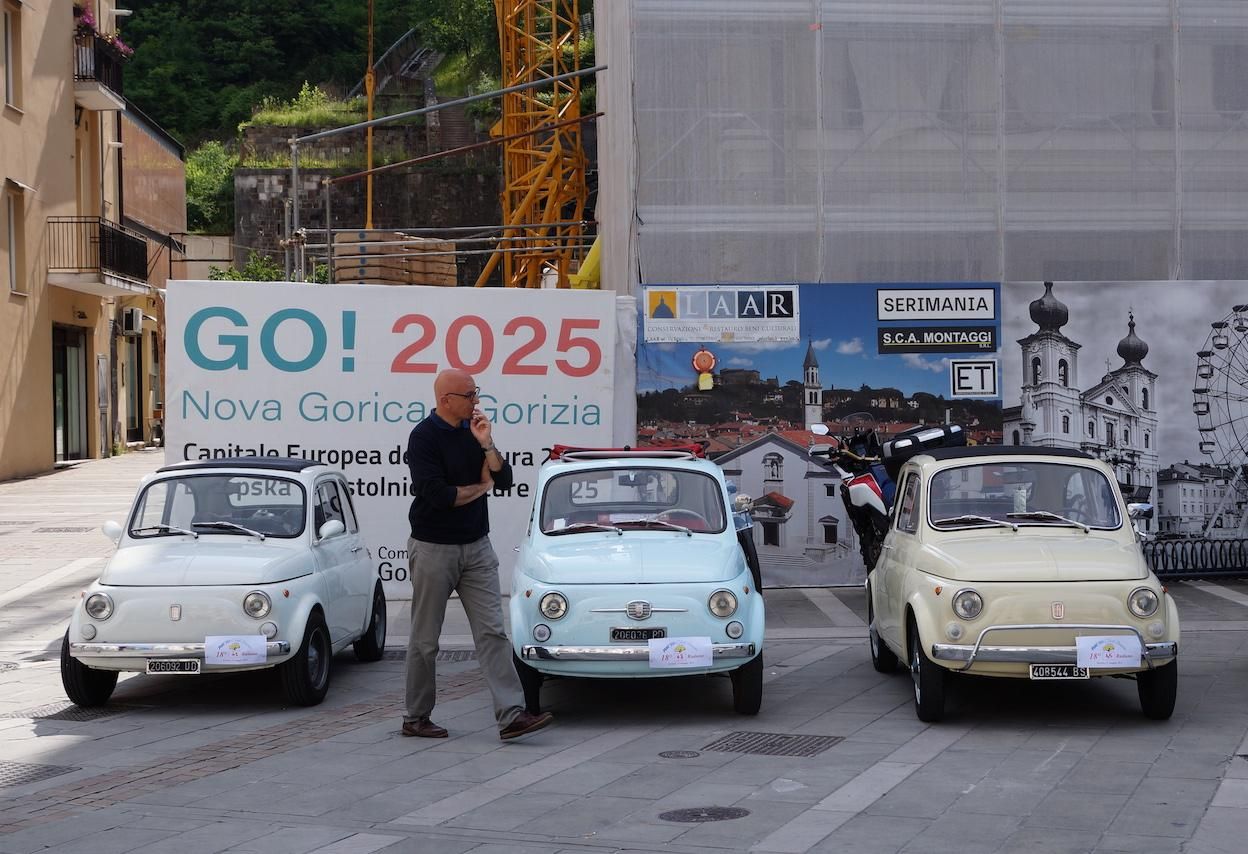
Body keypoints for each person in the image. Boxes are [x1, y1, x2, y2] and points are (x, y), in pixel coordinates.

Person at [401, 369, 553, 741]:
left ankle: (512, 715)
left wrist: (487, 444)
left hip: (477, 546)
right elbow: (439, 496)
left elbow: (504, 480)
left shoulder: (475, 430)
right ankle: (416, 717)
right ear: (446, 400)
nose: (476, 401)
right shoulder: (423, 437)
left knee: (493, 633)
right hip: (434, 547)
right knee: (425, 640)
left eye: (476, 393)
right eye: (469, 395)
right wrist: (481, 486)